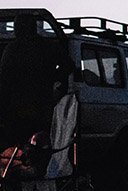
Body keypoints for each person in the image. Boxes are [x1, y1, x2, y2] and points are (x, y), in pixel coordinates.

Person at [0, 14, 73, 149]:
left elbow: (4, 77)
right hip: (39, 102)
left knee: (25, 141)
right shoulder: (47, 47)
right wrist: (54, 78)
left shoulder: (13, 49)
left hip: (23, 104)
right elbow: (68, 66)